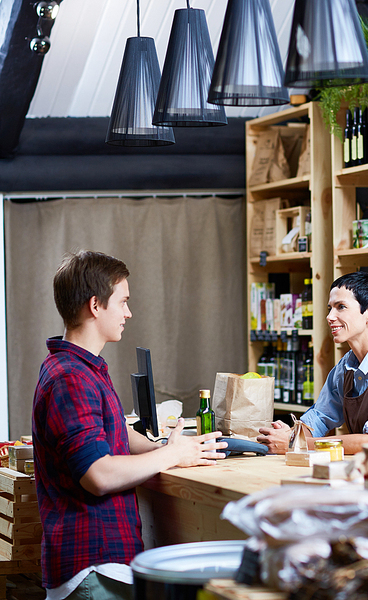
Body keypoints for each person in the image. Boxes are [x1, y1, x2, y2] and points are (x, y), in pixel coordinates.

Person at [32, 250, 227, 600]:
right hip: (92, 567)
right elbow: (99, 475)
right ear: (95, 305)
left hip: (101, 565)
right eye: (122, 302)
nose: (128, 313)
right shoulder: (71, 379)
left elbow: (114, 432)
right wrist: (170, 457)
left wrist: (167, 447)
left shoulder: (82, 367)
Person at [257, 271, 368, 455]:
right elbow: (318, 419)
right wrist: (291, 434)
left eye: (341, 307)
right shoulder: (345, 367)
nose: (330, 316)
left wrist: (298, 443)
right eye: (330, 308)